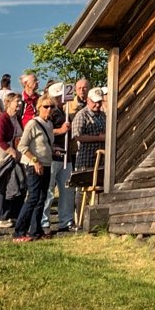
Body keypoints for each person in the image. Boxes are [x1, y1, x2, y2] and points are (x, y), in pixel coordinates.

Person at [14, 101, 54, 243]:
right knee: (33, 197)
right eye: (46, 106)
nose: (49, 109)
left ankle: (35, 230)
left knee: (42, 198)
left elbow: (45, 144)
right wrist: (35, 160)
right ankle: (19, 231)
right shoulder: (32, 124)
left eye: (51, 106)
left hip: (47, 163)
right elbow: (22, 146)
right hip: (34, 165)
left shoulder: (49, 124)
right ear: (38, 108)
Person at [70, 88, 106, 227]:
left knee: (97, 188)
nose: (97, 105)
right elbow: (77, 136)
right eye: (95, 102)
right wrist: (97, 138)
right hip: (86, 157)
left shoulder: (102, 115)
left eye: (100, 102)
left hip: (100, 158)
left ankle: (95, 220)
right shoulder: (82, 115)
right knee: (82, 189)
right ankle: (79, 220)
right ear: (88, 100)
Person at [0, 92, 22, 228]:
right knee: (4, 186)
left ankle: (14, 214)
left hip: (16, 154)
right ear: (8, 103)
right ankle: (1, 217)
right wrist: (11, 150)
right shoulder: (2, 119)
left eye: (20, 101)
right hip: (4, 156)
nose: (19, 104)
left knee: (16, 184)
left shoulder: (17, 118)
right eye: (16, 101)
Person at [39, 84, 71, 233]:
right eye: (57, 97)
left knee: (67, 190)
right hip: (52, 156)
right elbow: (45, 131)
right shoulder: (49, 114)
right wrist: (61, 130)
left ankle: (65, 220)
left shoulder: (64, 111)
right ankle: (44, 221)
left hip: (65, 155)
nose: (60, 99)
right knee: (49, 191)